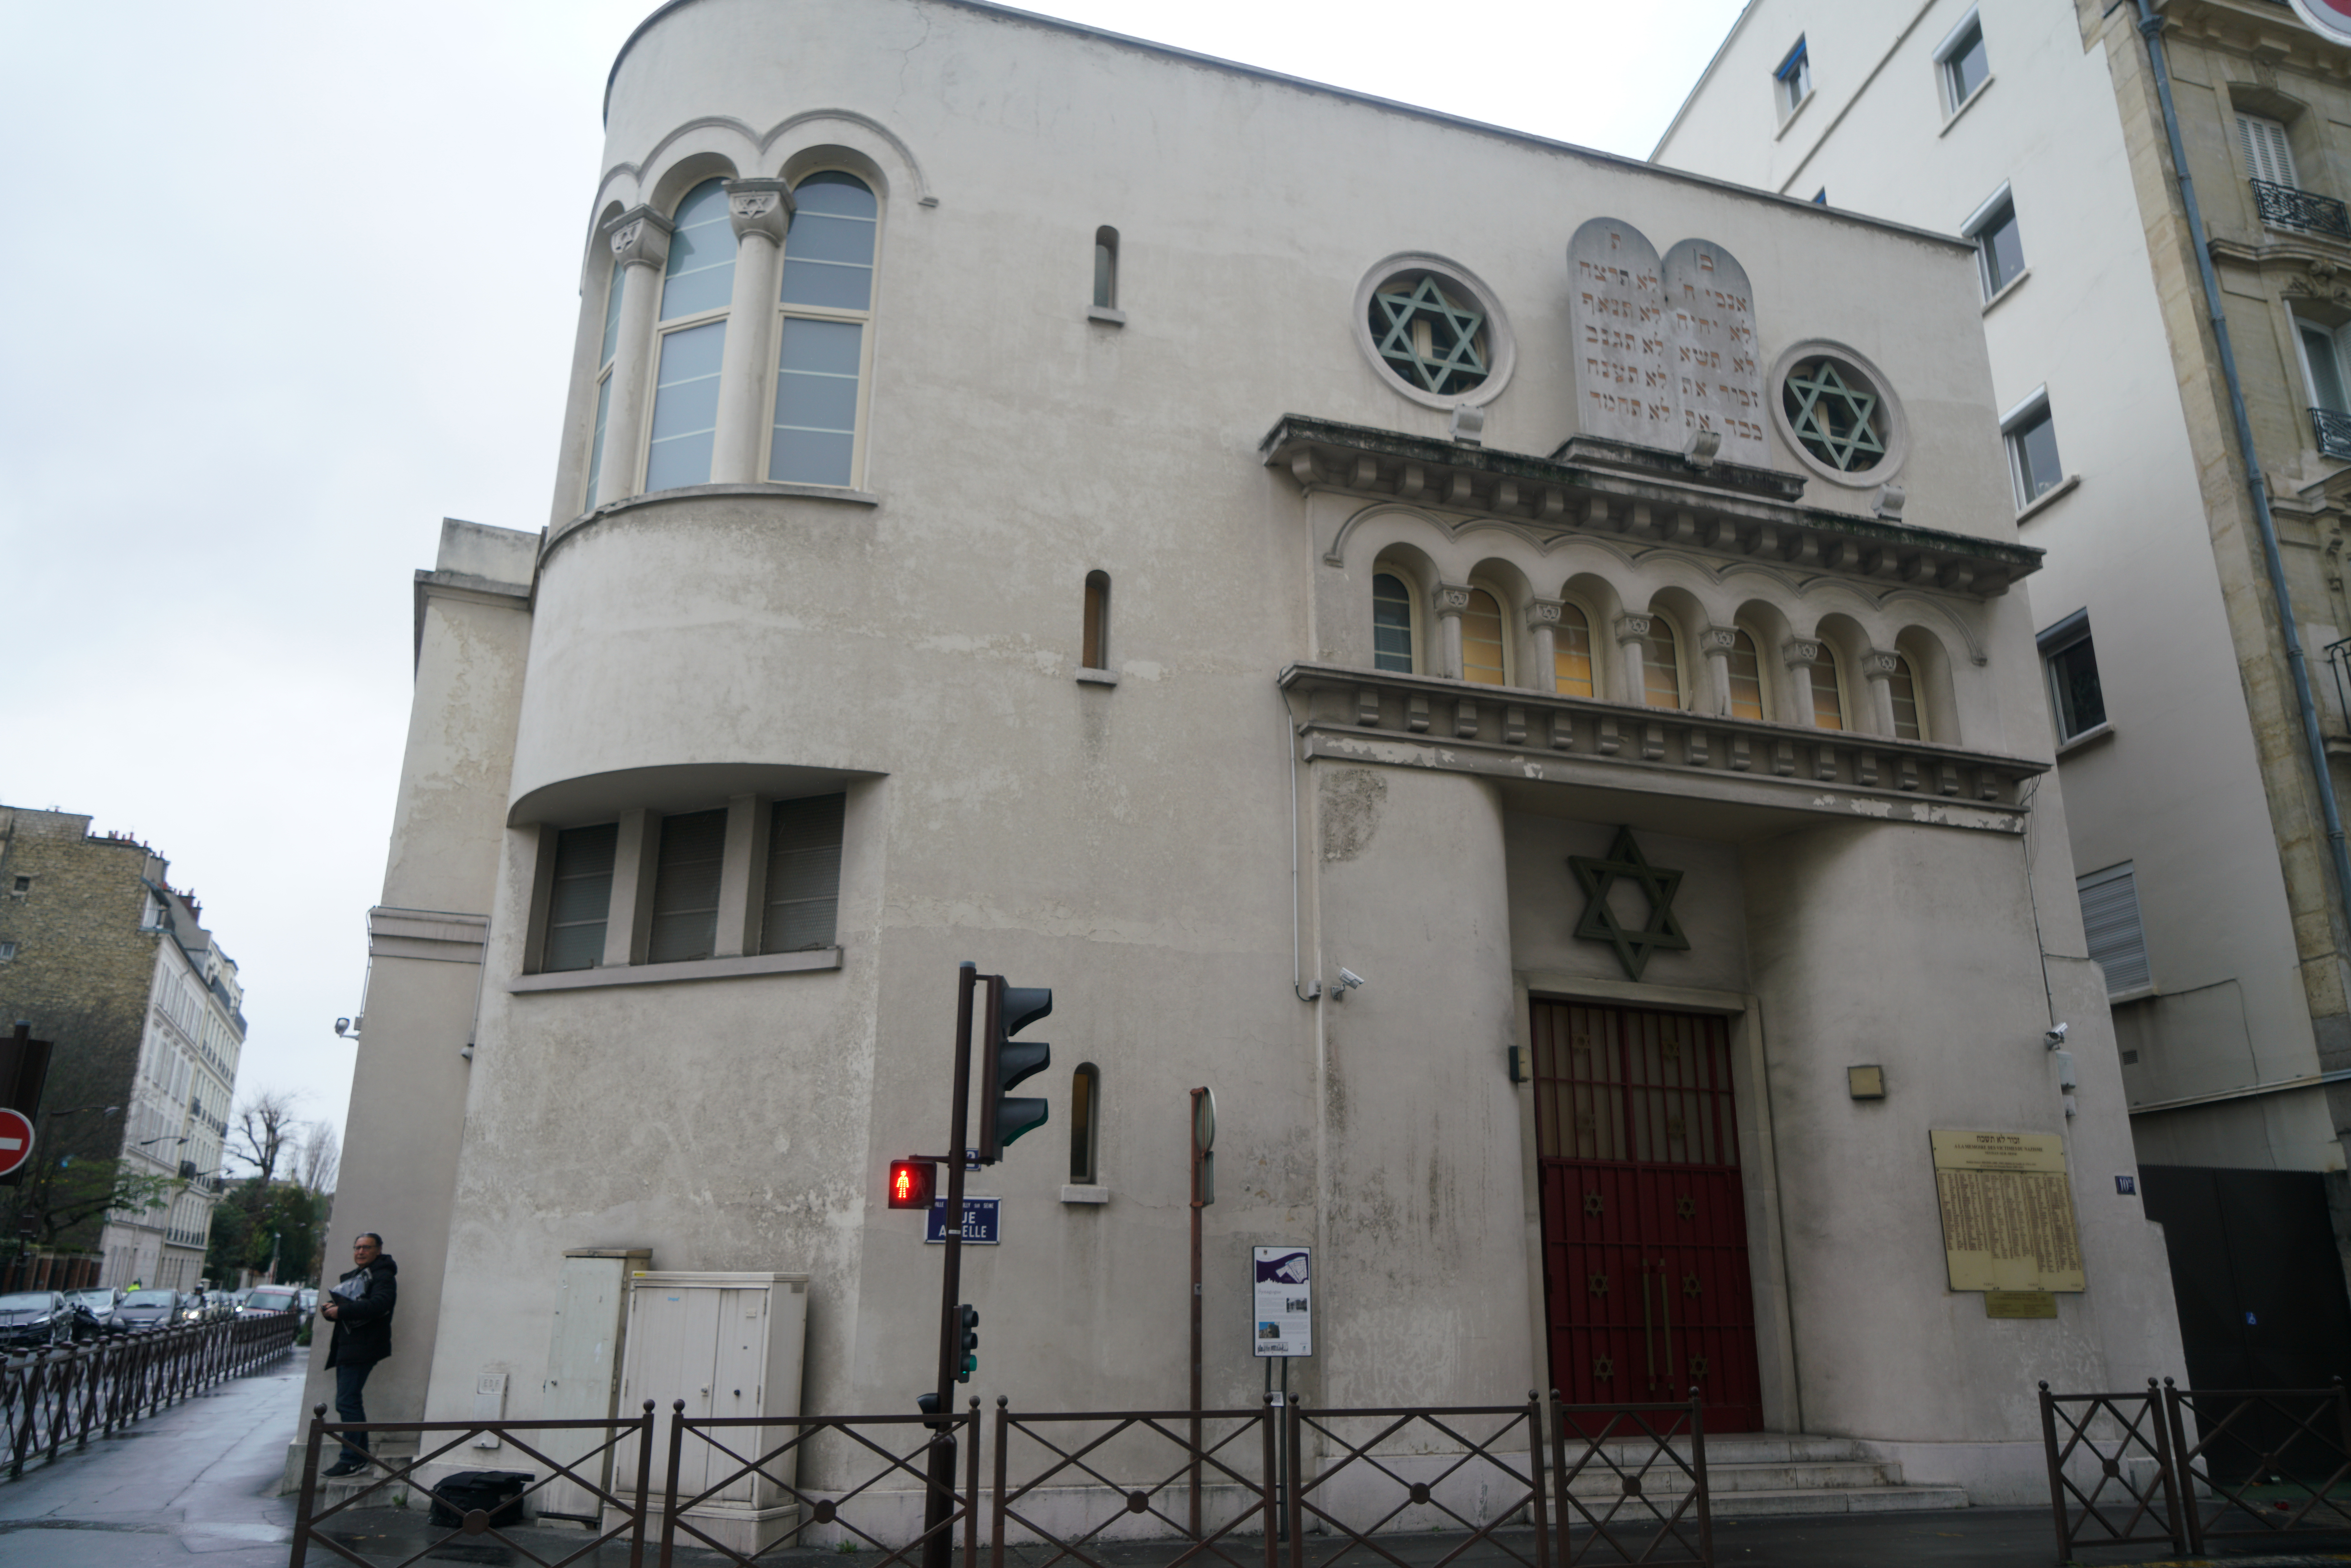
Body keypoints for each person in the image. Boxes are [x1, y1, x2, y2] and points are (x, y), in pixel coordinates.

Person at [320, 1232, 397, 1477]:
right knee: (348, 1401)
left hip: (362, 1347)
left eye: (366, 1248)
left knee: (347, 1402)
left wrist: (341, 1311)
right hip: (350, 1346)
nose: (360, 1252)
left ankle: (354, 1458)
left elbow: (381, 1304)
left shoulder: (383, 1275)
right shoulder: (358, 1275)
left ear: (379, 1250)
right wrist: (331, 1311)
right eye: (357, 1248)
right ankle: (357, 1456)